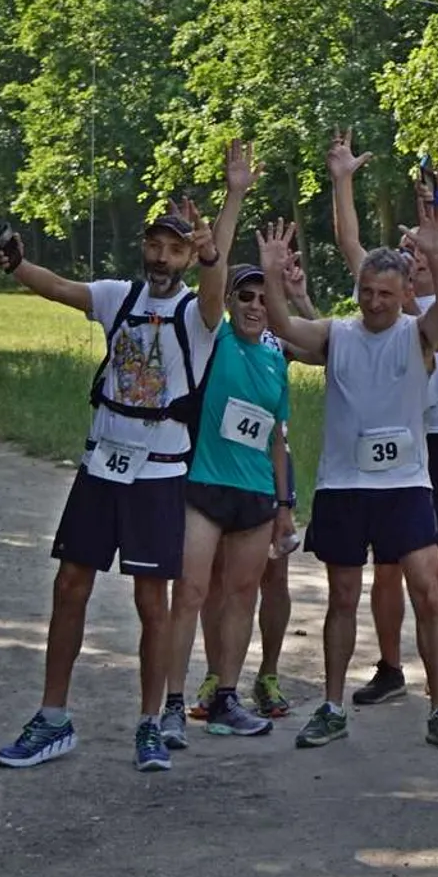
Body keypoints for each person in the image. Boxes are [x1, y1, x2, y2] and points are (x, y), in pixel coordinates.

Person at [0, 165, 235, 770]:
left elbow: (215, 291)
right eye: (155, 244)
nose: (161, 256)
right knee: (69, 585)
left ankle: (150, 723)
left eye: (174, 248)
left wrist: (211, 256)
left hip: (157, 472)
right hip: (101, 464)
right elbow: (59, 287)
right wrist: (18, 265)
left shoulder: (196, 317)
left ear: (186, 257)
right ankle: (53, 719)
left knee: (151, 602)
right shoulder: (118, 297)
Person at [257, 196, 438, 754]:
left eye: (385, 293)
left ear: (404, 293)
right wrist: (276, 274)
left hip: (405, 487)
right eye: (367, 292)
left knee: (426, 591)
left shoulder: (417, 334)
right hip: (345, 487)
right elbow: (282, 324)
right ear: (358, 292)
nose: (374, 302)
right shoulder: (337, 334)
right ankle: (331, 705)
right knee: (343, 598)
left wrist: (436, 254)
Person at [328, 127, 438, 709]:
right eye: (414, 248)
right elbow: (351, 245)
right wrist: (341, 181)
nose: (420, 254)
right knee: (387, 565)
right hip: (397, 443)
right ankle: (390, 665)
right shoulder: (389, 297)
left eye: (429, 246)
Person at [164, 253, 294, 744]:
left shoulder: (275, 358)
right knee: (191, 595)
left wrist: (284, 507)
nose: (256, 306)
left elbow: (277, 439)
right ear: (231, 301)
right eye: (246, 296)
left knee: (242, 596)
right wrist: (211, 250)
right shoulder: (211, 341)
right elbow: (209, 290)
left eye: (264, 299)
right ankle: (173, 704)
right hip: (204, 486)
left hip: (257, 495)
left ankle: (227, 699)